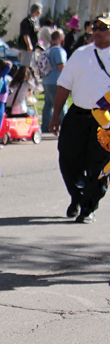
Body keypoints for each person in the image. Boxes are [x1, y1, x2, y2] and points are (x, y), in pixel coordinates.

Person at [50, 15, 110, 224]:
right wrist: (55, 115)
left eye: (103, 28)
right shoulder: (80, 54)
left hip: (105, 120)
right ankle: (78, 196)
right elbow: (64, 86)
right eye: (95, 27)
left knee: (99, 165)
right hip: (78, 114)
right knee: (68, 159)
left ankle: (88, 207)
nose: (98, 31)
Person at [41, 29, 68, 131]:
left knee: (48, 104)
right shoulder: (59, 51)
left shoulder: (47, 51)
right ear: (60, 38)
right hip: (57, 81)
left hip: (46, 81)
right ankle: (64, 126)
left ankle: (45, 125)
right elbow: (61, 66)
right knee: (61, 104)